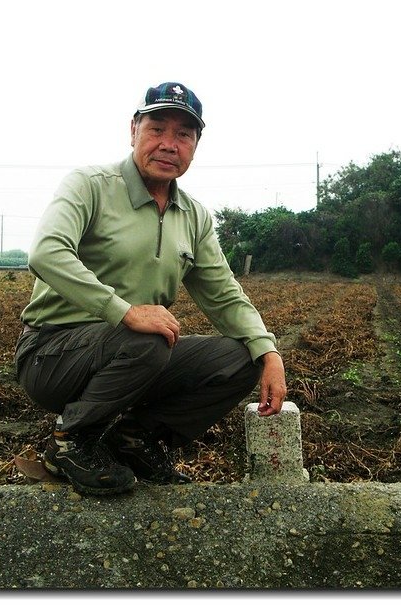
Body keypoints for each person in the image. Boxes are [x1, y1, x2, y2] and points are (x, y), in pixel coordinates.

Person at [14, 81, 287, 496]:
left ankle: (135, 440)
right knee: (148, 337)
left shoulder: (193, 216)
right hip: (51, 355)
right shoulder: (90, 185)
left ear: (196, 144)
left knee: (239, 357)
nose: (168, 144)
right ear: (134, 131)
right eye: (157, 128)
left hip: (132, 354)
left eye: (183, 134)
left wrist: (268, 351)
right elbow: (47, 252)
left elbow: (225, 294)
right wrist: (124, 311)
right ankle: (69, 441)